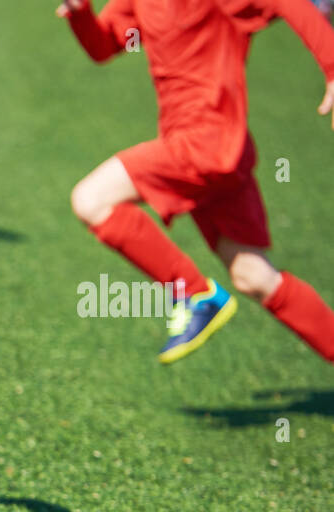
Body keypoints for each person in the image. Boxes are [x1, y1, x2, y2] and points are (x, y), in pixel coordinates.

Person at [60, 0, 334, 364]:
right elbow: (105, 45)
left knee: (91, 199)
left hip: (202, 146)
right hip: (220, 153)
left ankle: (194, 295)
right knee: (255, 276)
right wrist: (80, 13)